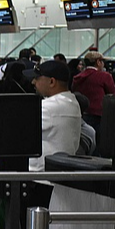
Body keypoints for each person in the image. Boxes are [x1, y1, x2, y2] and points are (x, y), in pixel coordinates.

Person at [22, 60, 82, 209]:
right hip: (56, 181)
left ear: (52, 81)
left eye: (37, 78)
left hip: (40, 183)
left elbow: (16, 130)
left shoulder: (50, 107)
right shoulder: (71, 101)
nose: (33, 82)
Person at [71, 51, 115, 131]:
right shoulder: (104, 76)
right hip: (99, 115)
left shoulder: (77, 77)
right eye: (102, 61)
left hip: (81, 114)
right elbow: (113, 96)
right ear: (98, 62)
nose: (103, 64)